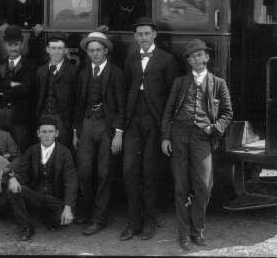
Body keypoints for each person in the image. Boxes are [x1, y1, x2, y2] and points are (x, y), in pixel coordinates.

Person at [161, 39, 233, 251]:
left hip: (202, 138)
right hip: (179, 136)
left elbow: (228, 113)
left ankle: (197, 230)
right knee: (181, 186)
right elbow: (168, 112)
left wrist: (214, 128)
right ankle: (183, 235)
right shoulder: (180, 82)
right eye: (192, 56)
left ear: (207, 57)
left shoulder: (218, 83)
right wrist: (165, 137)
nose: (197, 59)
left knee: (204, 186)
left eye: (200, 55)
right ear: (189, 61)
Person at [120, 17, 179, 241]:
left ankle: (149, 222)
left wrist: (166, 129)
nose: (143, 37)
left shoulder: (167, 59)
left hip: (155, 121)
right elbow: (127, 88)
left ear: (154, 35)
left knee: (150, 172)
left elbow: (172, 98)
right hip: (133, 120)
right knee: (129, 171)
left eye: (147, 33)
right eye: (139, 34)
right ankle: (133, 223)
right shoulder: (131, 58)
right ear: (135, 37)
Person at [72, 31, 126, 235]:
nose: (95, 54)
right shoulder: (84, 72)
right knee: (84, 171)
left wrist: (118, 133)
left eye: (98, 50)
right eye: (91, 51)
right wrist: (76, 131)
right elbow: (79, 104)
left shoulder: (116, 73)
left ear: (106, 51)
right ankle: (86, 211)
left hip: (107, 126)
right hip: (86, 124)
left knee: (105, 173)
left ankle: (99, 218)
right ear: (87, 53)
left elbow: (122, 106)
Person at [8, 116, 78, 241]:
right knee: (13, 189)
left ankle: (47, 217)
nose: (47, 135)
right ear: (38, 133)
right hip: (35, 196)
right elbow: (22, 172)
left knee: (60, 222)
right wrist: (14, 178)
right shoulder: (32, 150)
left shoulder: (64, 152)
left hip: (55, 199)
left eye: (50, 132)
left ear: (56, 133)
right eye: (44, 132)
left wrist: (68, 208)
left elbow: (70, 181)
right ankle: (26, 227)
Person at [0, 25, 37, 153]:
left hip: (20, 117)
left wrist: (1, 92)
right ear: (5, 45)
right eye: (10, 44)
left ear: (22, 44)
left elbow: (26, 89)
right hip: (0, 116)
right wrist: (9, 84)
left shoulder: (30, 65)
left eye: (16, 44)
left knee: (19, 151)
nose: (13, 48)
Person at [35, 33, 78, 148]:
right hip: (43, 118)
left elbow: (77, 101)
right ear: (47, 49)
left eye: (60, 48)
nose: (56, 51)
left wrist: (73, 127)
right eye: (53, 48)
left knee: (61, 152)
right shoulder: (41, 71)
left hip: (63, 121)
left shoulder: (73, 71)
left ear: (65, 50)